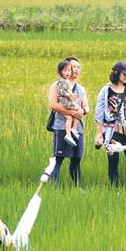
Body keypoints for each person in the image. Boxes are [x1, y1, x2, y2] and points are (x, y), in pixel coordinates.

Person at [94, 61, 126, 186]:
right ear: (116, 74)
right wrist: (99, 133)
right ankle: (114, 189)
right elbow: (99, 113)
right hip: (112, 130)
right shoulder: (106, 91)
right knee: (113, 161)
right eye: (124, 74)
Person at [48, 55, 89, 185]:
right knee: (58, 159)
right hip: (61, 126)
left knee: (76, 159)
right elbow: (53, 105)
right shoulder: (57, 85)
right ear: (65, 69)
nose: (76, 70)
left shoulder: (81, 88)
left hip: (78, 128)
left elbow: (87, 107)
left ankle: (77, 187)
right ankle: (53, 188)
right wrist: (71, 113)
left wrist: (82, 111)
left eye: (78, 67)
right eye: (73, 67)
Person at [55, 60, 81, 147]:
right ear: (61, 72)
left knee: (70, 117)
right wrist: (68, 95)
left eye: (69, 71)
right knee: (77, 110)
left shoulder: (65, 81)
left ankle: (70, 133)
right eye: (65, 71)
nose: (68, 73)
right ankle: (72, 130)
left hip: (66, 101)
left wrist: (71, 95)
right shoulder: (62, 81)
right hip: (65, 102)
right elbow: (61, 92)